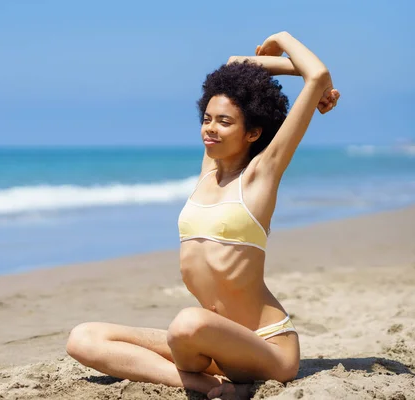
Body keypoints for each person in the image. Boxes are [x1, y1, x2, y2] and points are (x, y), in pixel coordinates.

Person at [66, 31, 340, 399]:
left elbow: (316, 74)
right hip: (209, 342)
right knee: (83, 338)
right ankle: (202, 384)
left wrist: (280, 40)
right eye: (207, 118)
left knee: (186, 324)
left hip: (265, 346)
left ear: (253, 132)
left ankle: (216, 376)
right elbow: (232, 67)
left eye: (225, 122)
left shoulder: (261, 175)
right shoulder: (207, 172)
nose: (211, 128)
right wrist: (259, 68)